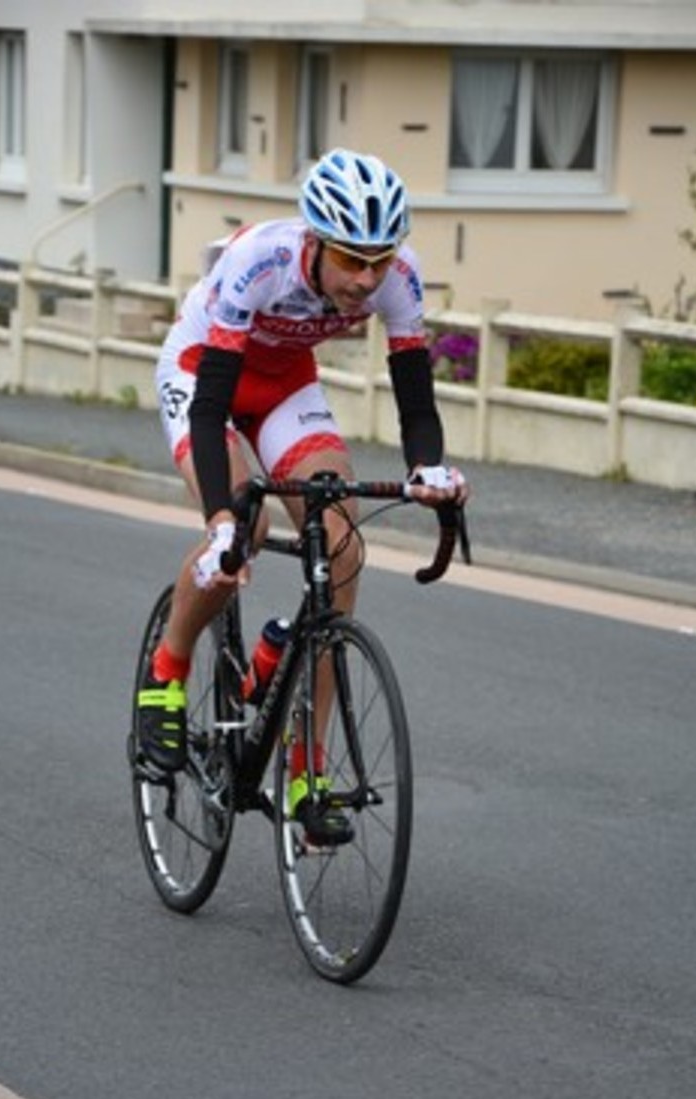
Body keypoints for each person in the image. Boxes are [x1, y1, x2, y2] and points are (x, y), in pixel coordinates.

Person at [139, 147, 468, 840]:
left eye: (379, 259)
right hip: (202, 373)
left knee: (342, 543)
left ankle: (304, 768)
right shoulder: (258, 260)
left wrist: (429, 468)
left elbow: (415, 400)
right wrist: (221, 517)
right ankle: (167, 668)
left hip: (286, 384)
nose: (366, 278)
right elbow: (210, 408)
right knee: (245, 529)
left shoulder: (398, 278)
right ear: (315, 241)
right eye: (351, 259)